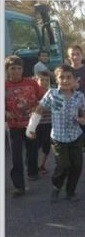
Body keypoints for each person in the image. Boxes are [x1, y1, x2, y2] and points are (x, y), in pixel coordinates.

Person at [26, 64, 85, 203]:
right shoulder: (52, 94)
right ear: (57, 79)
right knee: (63, 166)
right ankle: (56, 185)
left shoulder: (79, 96)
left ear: (74, 79)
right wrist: (31, 127)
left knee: (77, 166)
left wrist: (83, 119)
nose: (65, 80)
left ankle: (70, 192)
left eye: (68, 77)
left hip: (75, 136)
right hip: (58, 138)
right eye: (62, 77)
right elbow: (40, 109)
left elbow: (83, 113)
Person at [5, 55, 41, 197]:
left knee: (32, 149)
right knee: (16, 156)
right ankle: (19, 186)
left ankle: (32, 171)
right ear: (7, 70)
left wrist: (36, 108)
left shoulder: (31, 83)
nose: (16, 71)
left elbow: (42, 100)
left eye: (19, 68)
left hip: (30, 124)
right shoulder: (4, 86)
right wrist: (6, 112)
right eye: (12, 68)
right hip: (14, 126)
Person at [67, 45, 85, 170]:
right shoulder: (66, 71)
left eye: (78, 54)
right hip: (70, 106)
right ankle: (73, 160)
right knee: (72, 134)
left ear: (82, 55)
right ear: (69, 56)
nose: (75, 57)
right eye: (73, 54)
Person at [34, 70, 52, 174]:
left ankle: (42, 164)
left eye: (47, 80)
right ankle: (34, 164)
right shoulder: (33, 92)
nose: (44, 82)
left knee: (46, 145)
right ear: (36, 80)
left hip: (48, 123)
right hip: (37, 123)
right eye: (42, 79)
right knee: (35, 145)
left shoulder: (51, 92)